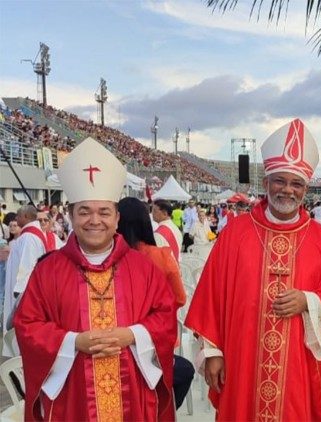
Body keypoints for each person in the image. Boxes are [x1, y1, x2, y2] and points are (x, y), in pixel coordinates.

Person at [185, 119, 321, 420]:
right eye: (280, 180)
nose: (287, 190)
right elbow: (212, 295)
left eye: (296, 183)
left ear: (306, 189)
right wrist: (212, 352)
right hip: (241, 359)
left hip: (298, 366)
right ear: (266, 182)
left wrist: (308, 301)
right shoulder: (236, 233)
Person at [14, 138, 177, 421]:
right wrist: (73, 342)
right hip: (73, 394)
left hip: (133, 390)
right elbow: (27, 325)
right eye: (84, 211)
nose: (94, 220)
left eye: (104, 212)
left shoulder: (143, 267)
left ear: (116, 218)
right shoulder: (48, 270)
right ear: (71, 216)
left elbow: (165, 316)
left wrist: (132, 335)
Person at [116, 197, 193, 410]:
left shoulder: (109, 259)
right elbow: (179, 298)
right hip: (154, 341)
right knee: (184, 372)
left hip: (115, 341)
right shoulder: (160, 256)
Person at [2, 204, 43, 341]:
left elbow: (28, 266)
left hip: (22, 294)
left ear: (25, 217)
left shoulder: (29, 238)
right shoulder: (29, 235)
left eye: (18, 215)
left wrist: (21, 294)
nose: (16, 218)